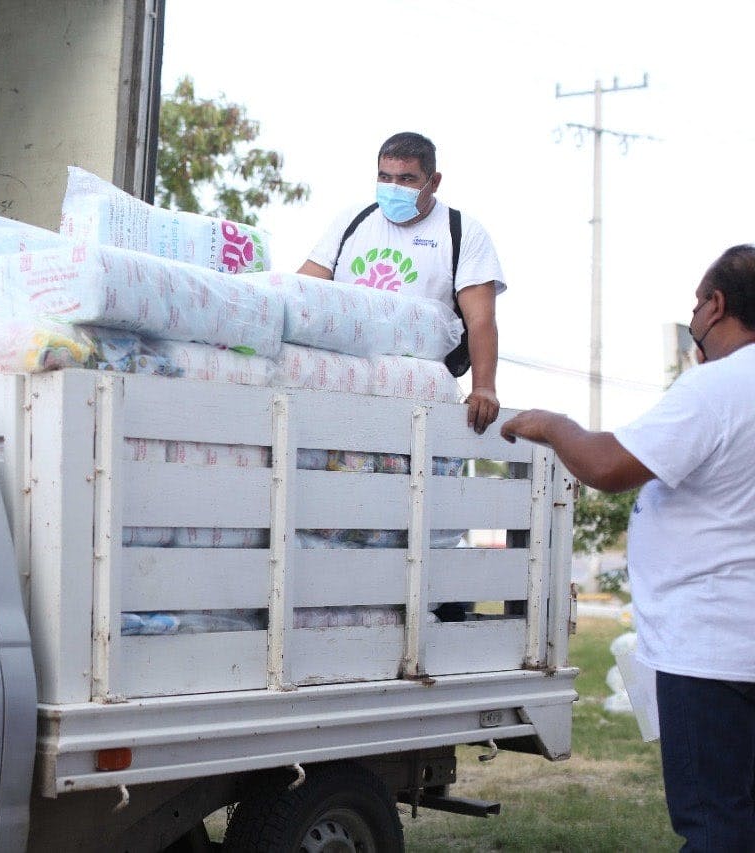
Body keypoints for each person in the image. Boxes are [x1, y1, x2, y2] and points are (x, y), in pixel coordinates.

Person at [499, 244, 755, 851]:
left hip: (712, 651)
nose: (694, 320)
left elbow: (609, 465)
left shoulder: (718, 386)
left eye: (697, 306)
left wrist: (553, 424)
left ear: (715, 306)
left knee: (718, 823)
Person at [298, 131, 505, 433]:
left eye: (406, 179)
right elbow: (304, 288)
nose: (393, 187)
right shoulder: (354, 220)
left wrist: (484, 388)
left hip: (416, 388)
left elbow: (481, 320)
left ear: (434, 182)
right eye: (385, 177)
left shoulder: (461, 232)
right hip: (341, 379)